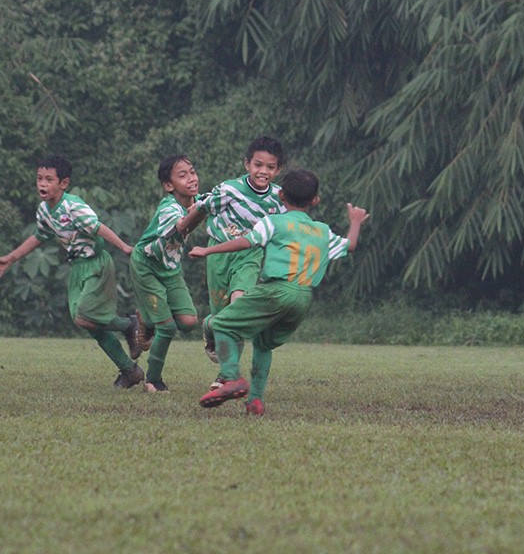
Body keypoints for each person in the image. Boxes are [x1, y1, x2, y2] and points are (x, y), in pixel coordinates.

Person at [189, 169, 368, 416]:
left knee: (221, 325)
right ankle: (255, 401)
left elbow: (247, 241)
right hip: (303, 298)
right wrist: (356, 222)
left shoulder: (273, 221)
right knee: (263, 343)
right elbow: (350, 245)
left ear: (281, 194)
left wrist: (208, 251)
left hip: (276, 291)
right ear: (315, 200)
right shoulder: (322, 231)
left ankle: (231, 378)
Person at [0, 154, 144, 388]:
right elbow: (39, 237)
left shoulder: (73, 206)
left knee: (85, 316)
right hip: (77, 267)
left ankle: (129, 325)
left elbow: (98, 227)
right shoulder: (44, 210)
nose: (42, 183)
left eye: (49, 179)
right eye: (39, 178)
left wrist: (123, 247)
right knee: (86, 323)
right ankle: (129, 370)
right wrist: (10, 259)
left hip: (97, 263)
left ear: (63, 183)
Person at [178, 136, 286, 365]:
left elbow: (286, 227)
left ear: (278, 169)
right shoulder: (229, 190)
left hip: (250, 254)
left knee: (238, 308)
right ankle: (210, 326)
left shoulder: (279, 198)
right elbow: (203, 208)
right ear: (247, 164)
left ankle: (227, 376)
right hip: (218, 254)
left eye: (270, 167)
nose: (263, 171)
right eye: (258, 165)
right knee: (221, 315)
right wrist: (183, 229)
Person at [129, 155, 202, 393]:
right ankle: (153, 380)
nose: (191, 178)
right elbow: (179, 227)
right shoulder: (168, 207)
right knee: (168, 328)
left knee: (190, 322)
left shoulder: (199, 200)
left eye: (192, 172)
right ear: (169, 186)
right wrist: (201, 209)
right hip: (147, 266)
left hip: (170, 269)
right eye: (183, 175)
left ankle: (146, 320)